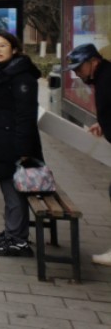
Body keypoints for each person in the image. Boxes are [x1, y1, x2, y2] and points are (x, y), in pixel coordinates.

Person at [0, 30, 43, 257]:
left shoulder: (21, 77)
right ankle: (12, 232)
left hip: (14, 146)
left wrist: (24, 151)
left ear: (14, 49)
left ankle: (18, 240)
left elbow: (26, 116)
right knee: (9, 192)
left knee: (14, 193)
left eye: (2, 46)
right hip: (1, 142)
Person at [66, 44, 111, 265]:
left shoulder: (107, 79)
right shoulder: (103, 77)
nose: (77, 73)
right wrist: (102, 124)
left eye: (78, 68)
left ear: (93, 61)